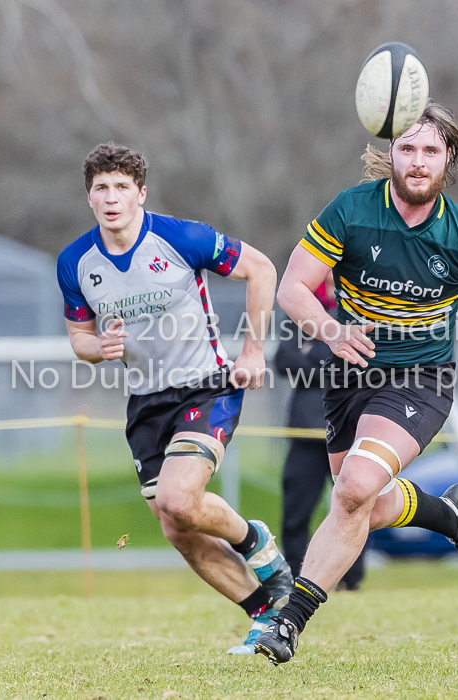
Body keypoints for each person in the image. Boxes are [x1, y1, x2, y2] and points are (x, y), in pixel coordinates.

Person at [255, 101, 458, 664]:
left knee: (354, 489)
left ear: (449, 159)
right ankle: (448, 516)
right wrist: (330, 330)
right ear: (390, 154)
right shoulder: (353, 211)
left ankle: (288, 621)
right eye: (408, 148)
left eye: (431, 150)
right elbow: (292, 288)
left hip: (421, 380)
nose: (418, 161)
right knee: (359, 504)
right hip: (350, 375)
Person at [57, 143, 292, 654]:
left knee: (178, 498)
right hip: (144, 403)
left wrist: (252, 352)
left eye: (122, 187)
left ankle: (257, 544)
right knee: (176, 526)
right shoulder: (76, 261)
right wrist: (98, 347)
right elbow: (78, 337)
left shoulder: (179, 237)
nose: (112, 197)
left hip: (205, 386)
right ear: (89, 199)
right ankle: (264, 612)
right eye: (101, 188)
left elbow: (263, 269)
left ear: (141, 193)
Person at [275, 277, 365, 591]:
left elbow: (362, 364)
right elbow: (283, 360)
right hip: (306, 432)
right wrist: (331, 362)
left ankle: (350, 581)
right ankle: (293, 578)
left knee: (354, 507)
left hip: (348, 430)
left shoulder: (358, 310)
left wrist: (312, 353)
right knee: (295, 514)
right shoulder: (303, 315)